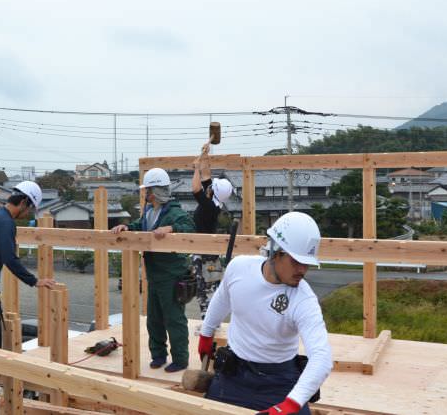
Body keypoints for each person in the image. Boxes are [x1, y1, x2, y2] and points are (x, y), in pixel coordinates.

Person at [198, 212, 332, 415]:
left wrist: (291, 404)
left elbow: (321, 358)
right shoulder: (240, 268)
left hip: (279, 380)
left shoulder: (303, 299)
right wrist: (206, 334)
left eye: (307, 264)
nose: (303, 270)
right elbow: (222, 298)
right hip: (233, 374)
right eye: (296, 261)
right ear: (275, 252)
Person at [110, 167, 195, 372]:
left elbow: (191, 227)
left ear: (155, 191)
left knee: (174, 319)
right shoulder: (149, 211)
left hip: (172, 274)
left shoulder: (174, 212)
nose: (144, 194)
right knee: (154, 319)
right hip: (155, 274)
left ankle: (180, 359)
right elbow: (141, 225)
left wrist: (171, 229)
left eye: (147, 190)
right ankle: (158, 355)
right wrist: (127, 227)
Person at [0, 181, 56, 344]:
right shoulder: (5, 222)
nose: (29, 213)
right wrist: (35, 281)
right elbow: (10, 259)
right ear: (23, 202)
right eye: (30, 208)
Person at [191, 140, 234, 318]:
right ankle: (211, 323)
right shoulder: (214, 198)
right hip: (209, 252)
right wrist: (204, 154)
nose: (209, 186)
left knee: (205, 292)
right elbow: (206, 174)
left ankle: (208, 325)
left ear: (213, 192)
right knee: (212, 291)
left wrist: (194, 168)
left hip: (204, 255)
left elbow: (195, 188)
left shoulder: (209, 205)